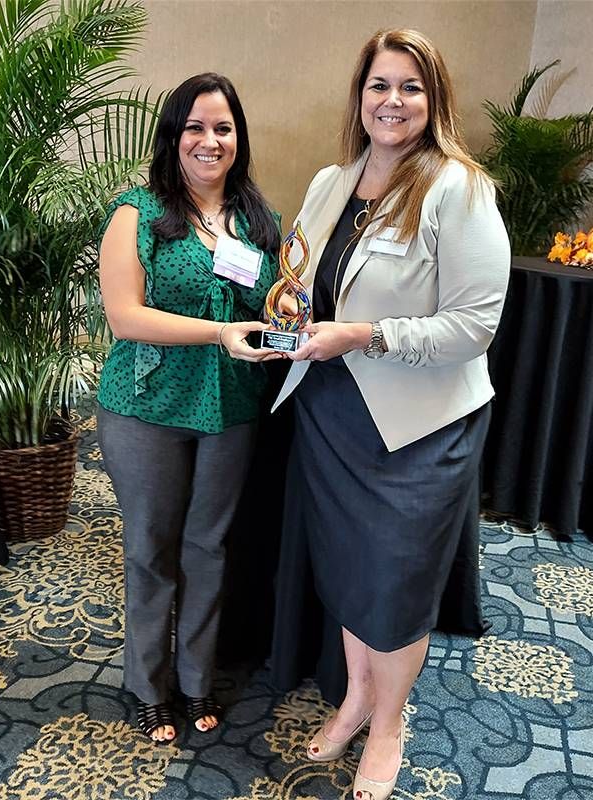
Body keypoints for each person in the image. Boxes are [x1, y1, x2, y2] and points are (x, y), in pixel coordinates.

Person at [270, 29, 510, 800]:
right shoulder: (330, 180)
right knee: (348, 571)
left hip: (419, 428)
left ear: (433, 99)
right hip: (331, 413)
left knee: (394, 585)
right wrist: (287, 314)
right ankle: (356, 698)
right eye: (380, 84)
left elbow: (475, 325)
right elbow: (301, 279)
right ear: (360, 95)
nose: (393, 101)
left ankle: (389, 724)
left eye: (411, 86)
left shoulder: (459, 188)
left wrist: (364, 334)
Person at [96, 73, 281, 743]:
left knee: (210, 548)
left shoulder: (260, 220)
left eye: (223, 128)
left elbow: (268, 299)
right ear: (172, 137)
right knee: (151, 550)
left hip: (230, 405)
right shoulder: (138, 211)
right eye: (195, 127)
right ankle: (149, 686)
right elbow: (125, 316)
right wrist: (219, 333)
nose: (210, 141)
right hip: (146, 405)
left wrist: (280, 307)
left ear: (239, 139)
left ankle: (196, 677)